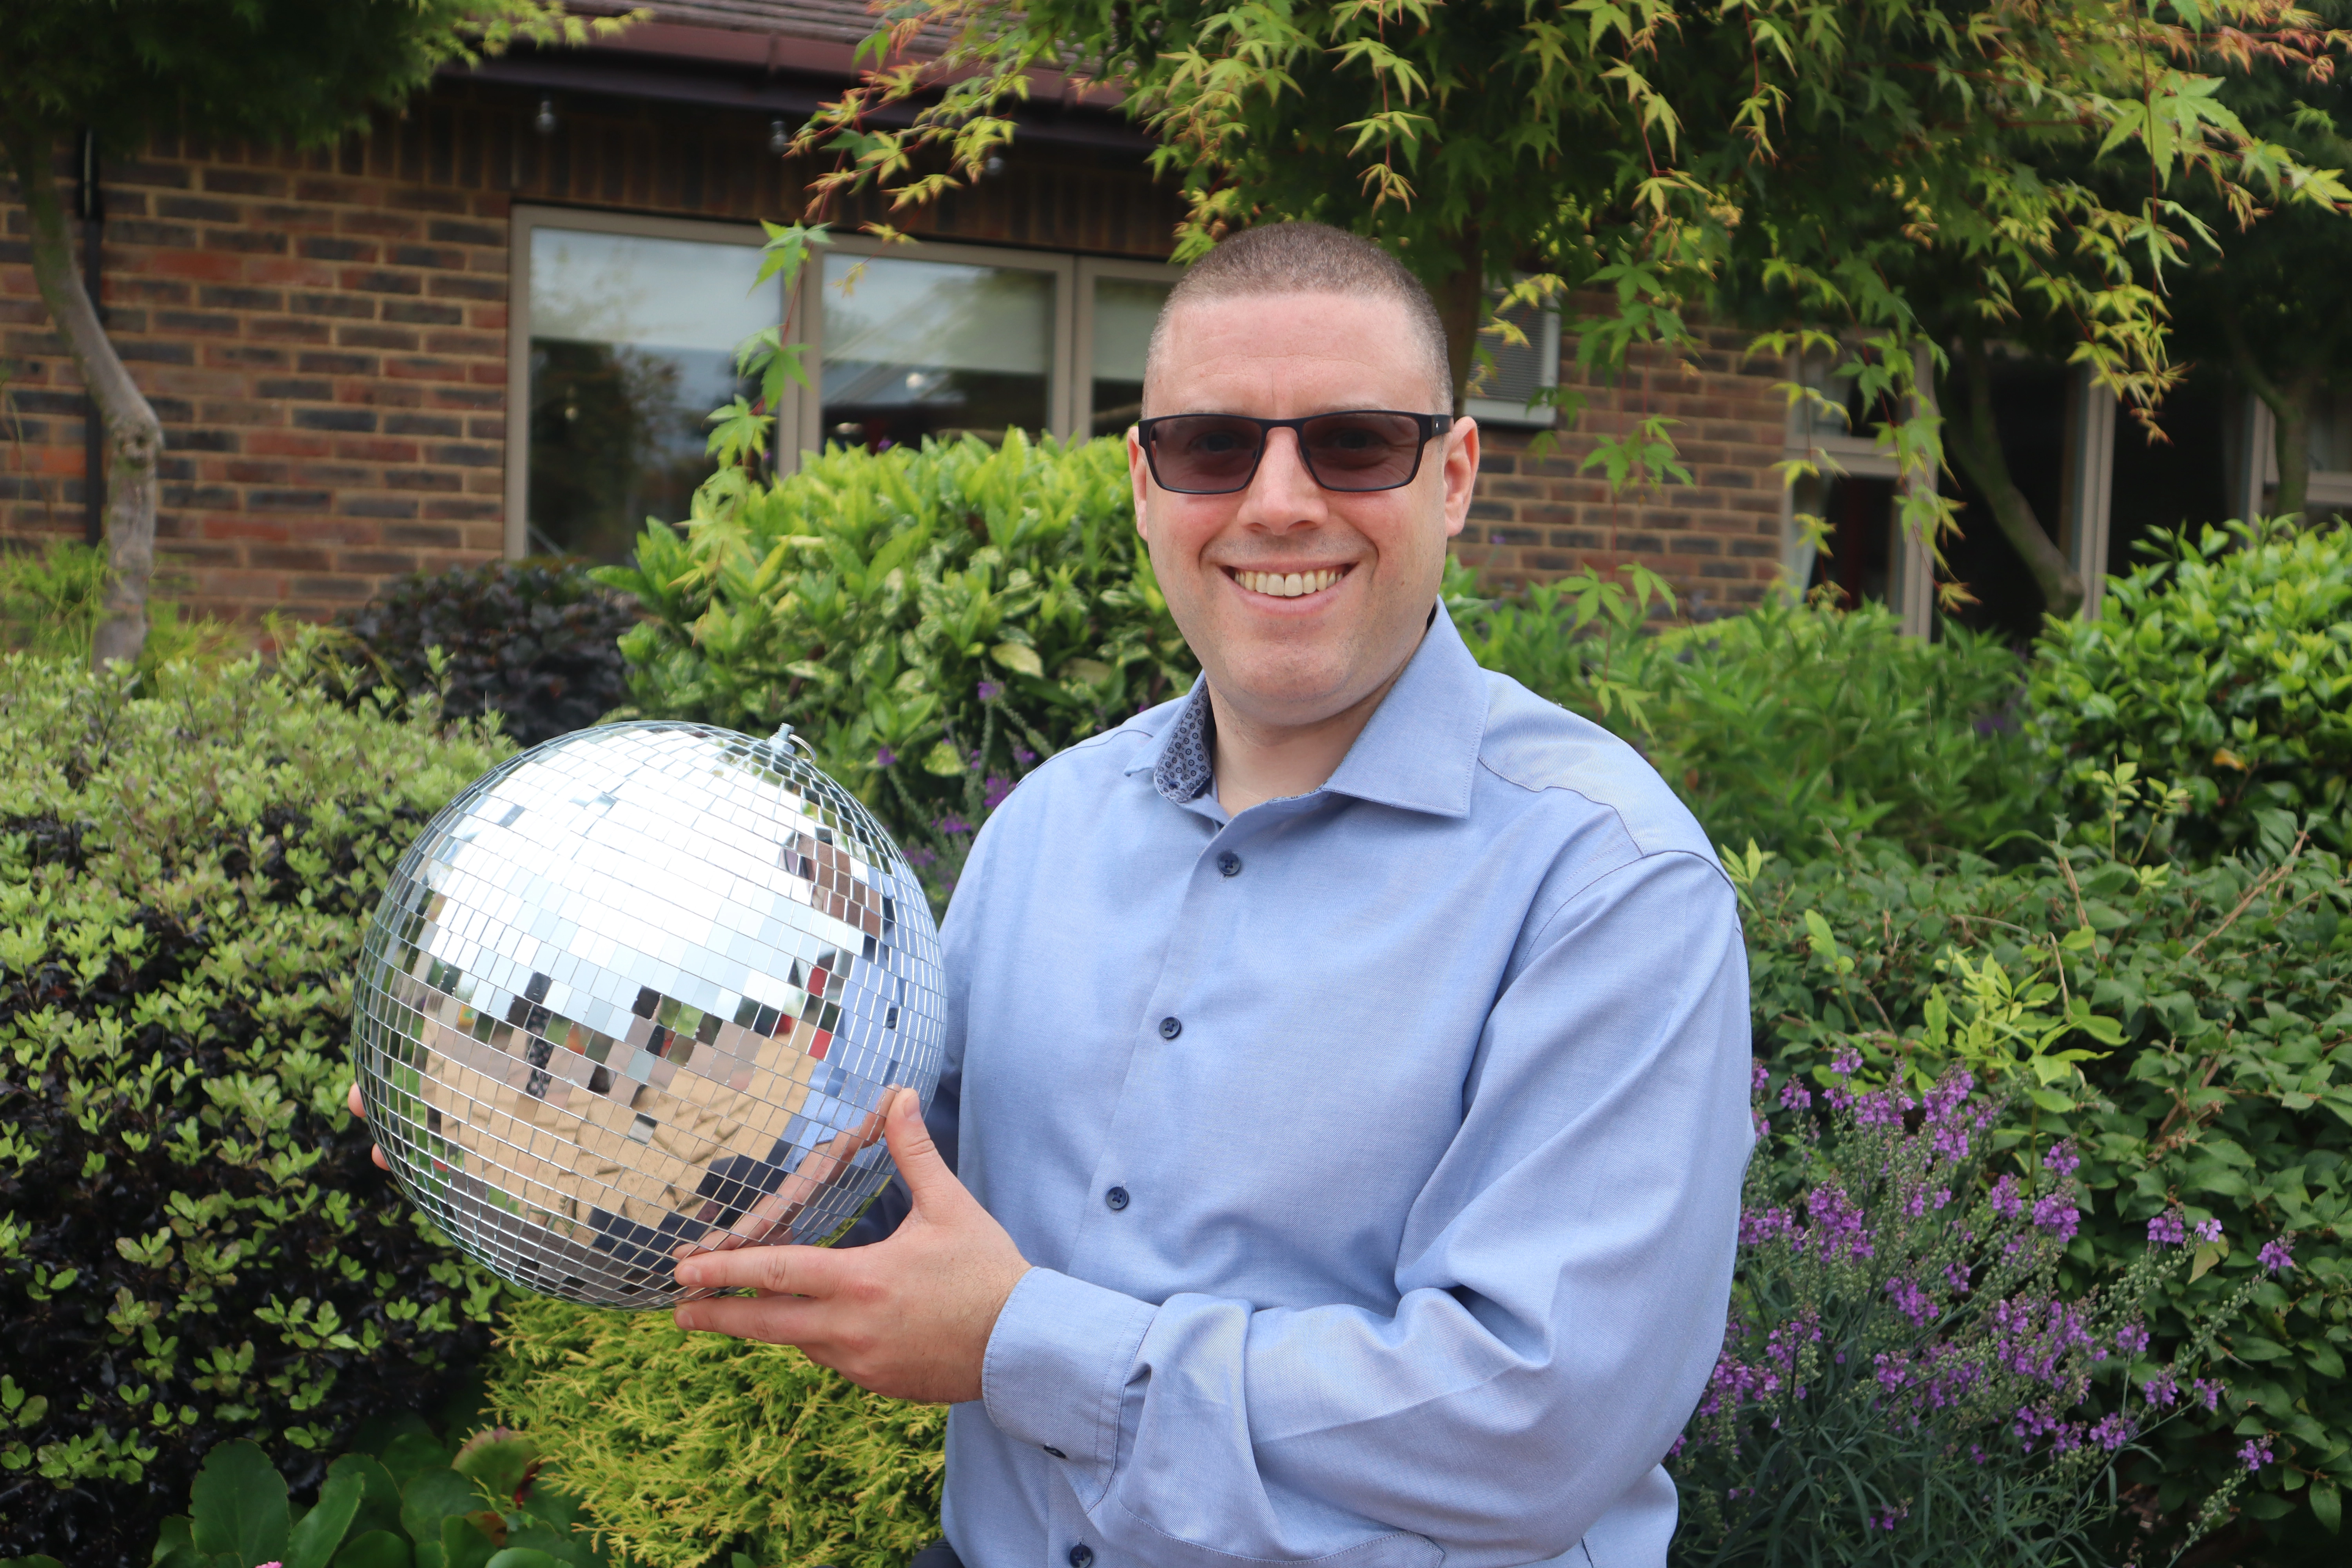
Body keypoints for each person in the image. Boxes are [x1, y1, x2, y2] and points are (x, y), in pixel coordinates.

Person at [357, 220, 1753, 1568]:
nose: (1278, 502)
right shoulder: (1051, 829)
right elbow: (907, 1202)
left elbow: (1533, 1418)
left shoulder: (1608, 884)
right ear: (1146, 484)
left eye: (1354, 442)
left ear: (1451, 475)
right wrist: (578, 1125)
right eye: (1213, 446)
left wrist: (1025, 1343)